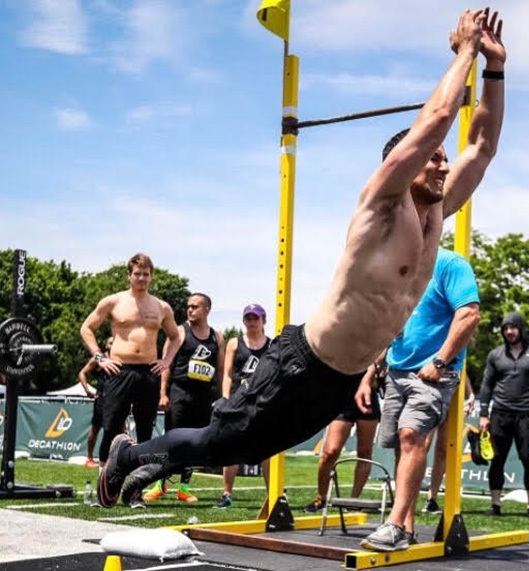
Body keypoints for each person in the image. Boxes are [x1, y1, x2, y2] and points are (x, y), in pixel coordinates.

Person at [97, 10, 503, 547]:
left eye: (444, 163)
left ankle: (157, 460)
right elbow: (436, 120)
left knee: (246, 451)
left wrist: (494, 69)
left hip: (339, 377)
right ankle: (134, 455)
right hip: (301, 363)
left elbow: (483, 147)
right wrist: (464, 54)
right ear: (405, 164)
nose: (443, 167)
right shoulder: (383, 205)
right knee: (225, 437)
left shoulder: (435, 215)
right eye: (433, 161)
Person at [359, 247, 480, 549]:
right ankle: (406, 529)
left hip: (433, 372)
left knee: (412, 436)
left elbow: (469, 314)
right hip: (397, 370)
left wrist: (440, 361)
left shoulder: (449, 264)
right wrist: (371, 372)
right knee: (401, 445)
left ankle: (394, 524)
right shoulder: (401, 263)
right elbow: (392, 327)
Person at [80, 253, 181, 506]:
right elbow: (87, 328)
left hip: (148, 373)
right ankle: (106, 488)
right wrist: (99, 357)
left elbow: (176, 335)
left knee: (146, 432)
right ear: (129, 275)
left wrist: (166, 360)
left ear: (151, 276)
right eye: (137, 274)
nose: (141, 278)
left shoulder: (161, 306)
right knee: (112, 427)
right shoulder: (114, 301)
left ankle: (135, 491)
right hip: (118, 371)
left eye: (146, 274)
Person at [142, 293, 225, 504]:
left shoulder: (217, 337)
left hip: (203, 396)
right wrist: (163, 393)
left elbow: (221, 370)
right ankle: (160, 484)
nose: (190, 310)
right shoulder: (179, 332)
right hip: (180, 392)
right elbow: (165, 364)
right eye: (188, 306)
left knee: (195, 443)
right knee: (172, 440)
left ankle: (184, 488)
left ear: (206, 310)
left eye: (195, 307)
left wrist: (223, 397)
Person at [478, 312, 529, 519]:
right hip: (500, 413)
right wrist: (483, 414)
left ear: (521, 328)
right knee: (497, 460)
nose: (509, 332)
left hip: (527, 415)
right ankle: (495, 505)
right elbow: (486, 385)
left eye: (513, 327)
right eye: (505, 328)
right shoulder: (495, 355)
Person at [302, 363, 383, 513]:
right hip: (343, 396)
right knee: (330, 452)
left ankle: (353, 500)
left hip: (367, 395)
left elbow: (377, 362)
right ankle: (321, 498)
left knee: (365, 452)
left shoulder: (374, 343)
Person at [216, 303, 271, 509]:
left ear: (263, 321)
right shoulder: (234, 343)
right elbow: (228, 373)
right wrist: (225, 399)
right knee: (232, 447)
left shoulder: (272, 345)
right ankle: (226, 494)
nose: (251, 322)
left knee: (267, 449)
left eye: (255, 318)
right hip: (239, 400)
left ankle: (272, 494)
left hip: (263, 402)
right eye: (248, 318)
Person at [421, 373, 475, 515]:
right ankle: (409, 496)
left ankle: (431, 499)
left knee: (443, 449)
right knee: (422, 446)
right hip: (432, 392)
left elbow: (462, 368)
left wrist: (470, 394)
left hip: (453, 395)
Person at [77, 336, 114, 468]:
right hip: (102, 399)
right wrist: (87, 390)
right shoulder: (100, 358)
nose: (113, 343)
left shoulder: (121, 358)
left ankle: (113, 459)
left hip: (117, 399)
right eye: (110, 342)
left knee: (118, 430)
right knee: (96, 428)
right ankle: (89, 458)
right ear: (106, 345)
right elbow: (82, 373)